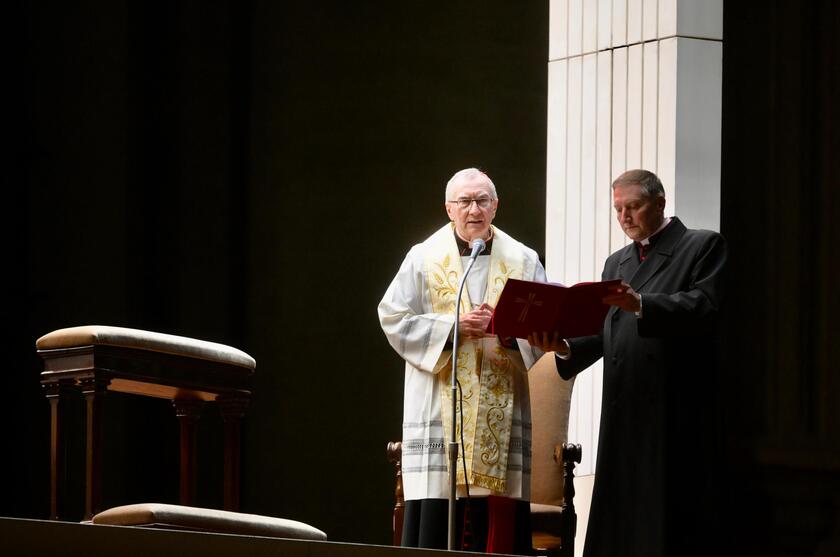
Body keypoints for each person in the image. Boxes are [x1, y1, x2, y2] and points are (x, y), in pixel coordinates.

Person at [529, 169, 727, 557]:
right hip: (624, 405)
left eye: (633, 207)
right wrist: (564, 347)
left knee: (664, 513)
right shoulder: (616, 262)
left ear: (660, 203)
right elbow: (606, 330)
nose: (624, 216)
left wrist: (642, 304)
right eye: (618, 209)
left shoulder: (701, 245)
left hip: (673, 408)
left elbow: (706, 307)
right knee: (620, 511)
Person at [378, 168, 546, 554]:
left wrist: (505, 333)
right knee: (439, 515)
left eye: (482, 200)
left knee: (497, 519)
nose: (474, 210)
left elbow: (540, 325)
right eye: (465, 202)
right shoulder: (423, 258)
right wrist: (453, 328)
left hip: (499, 409)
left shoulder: (523, 259)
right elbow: (393, 317)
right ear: (448, 209)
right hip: (441, 408)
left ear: (496, 206)